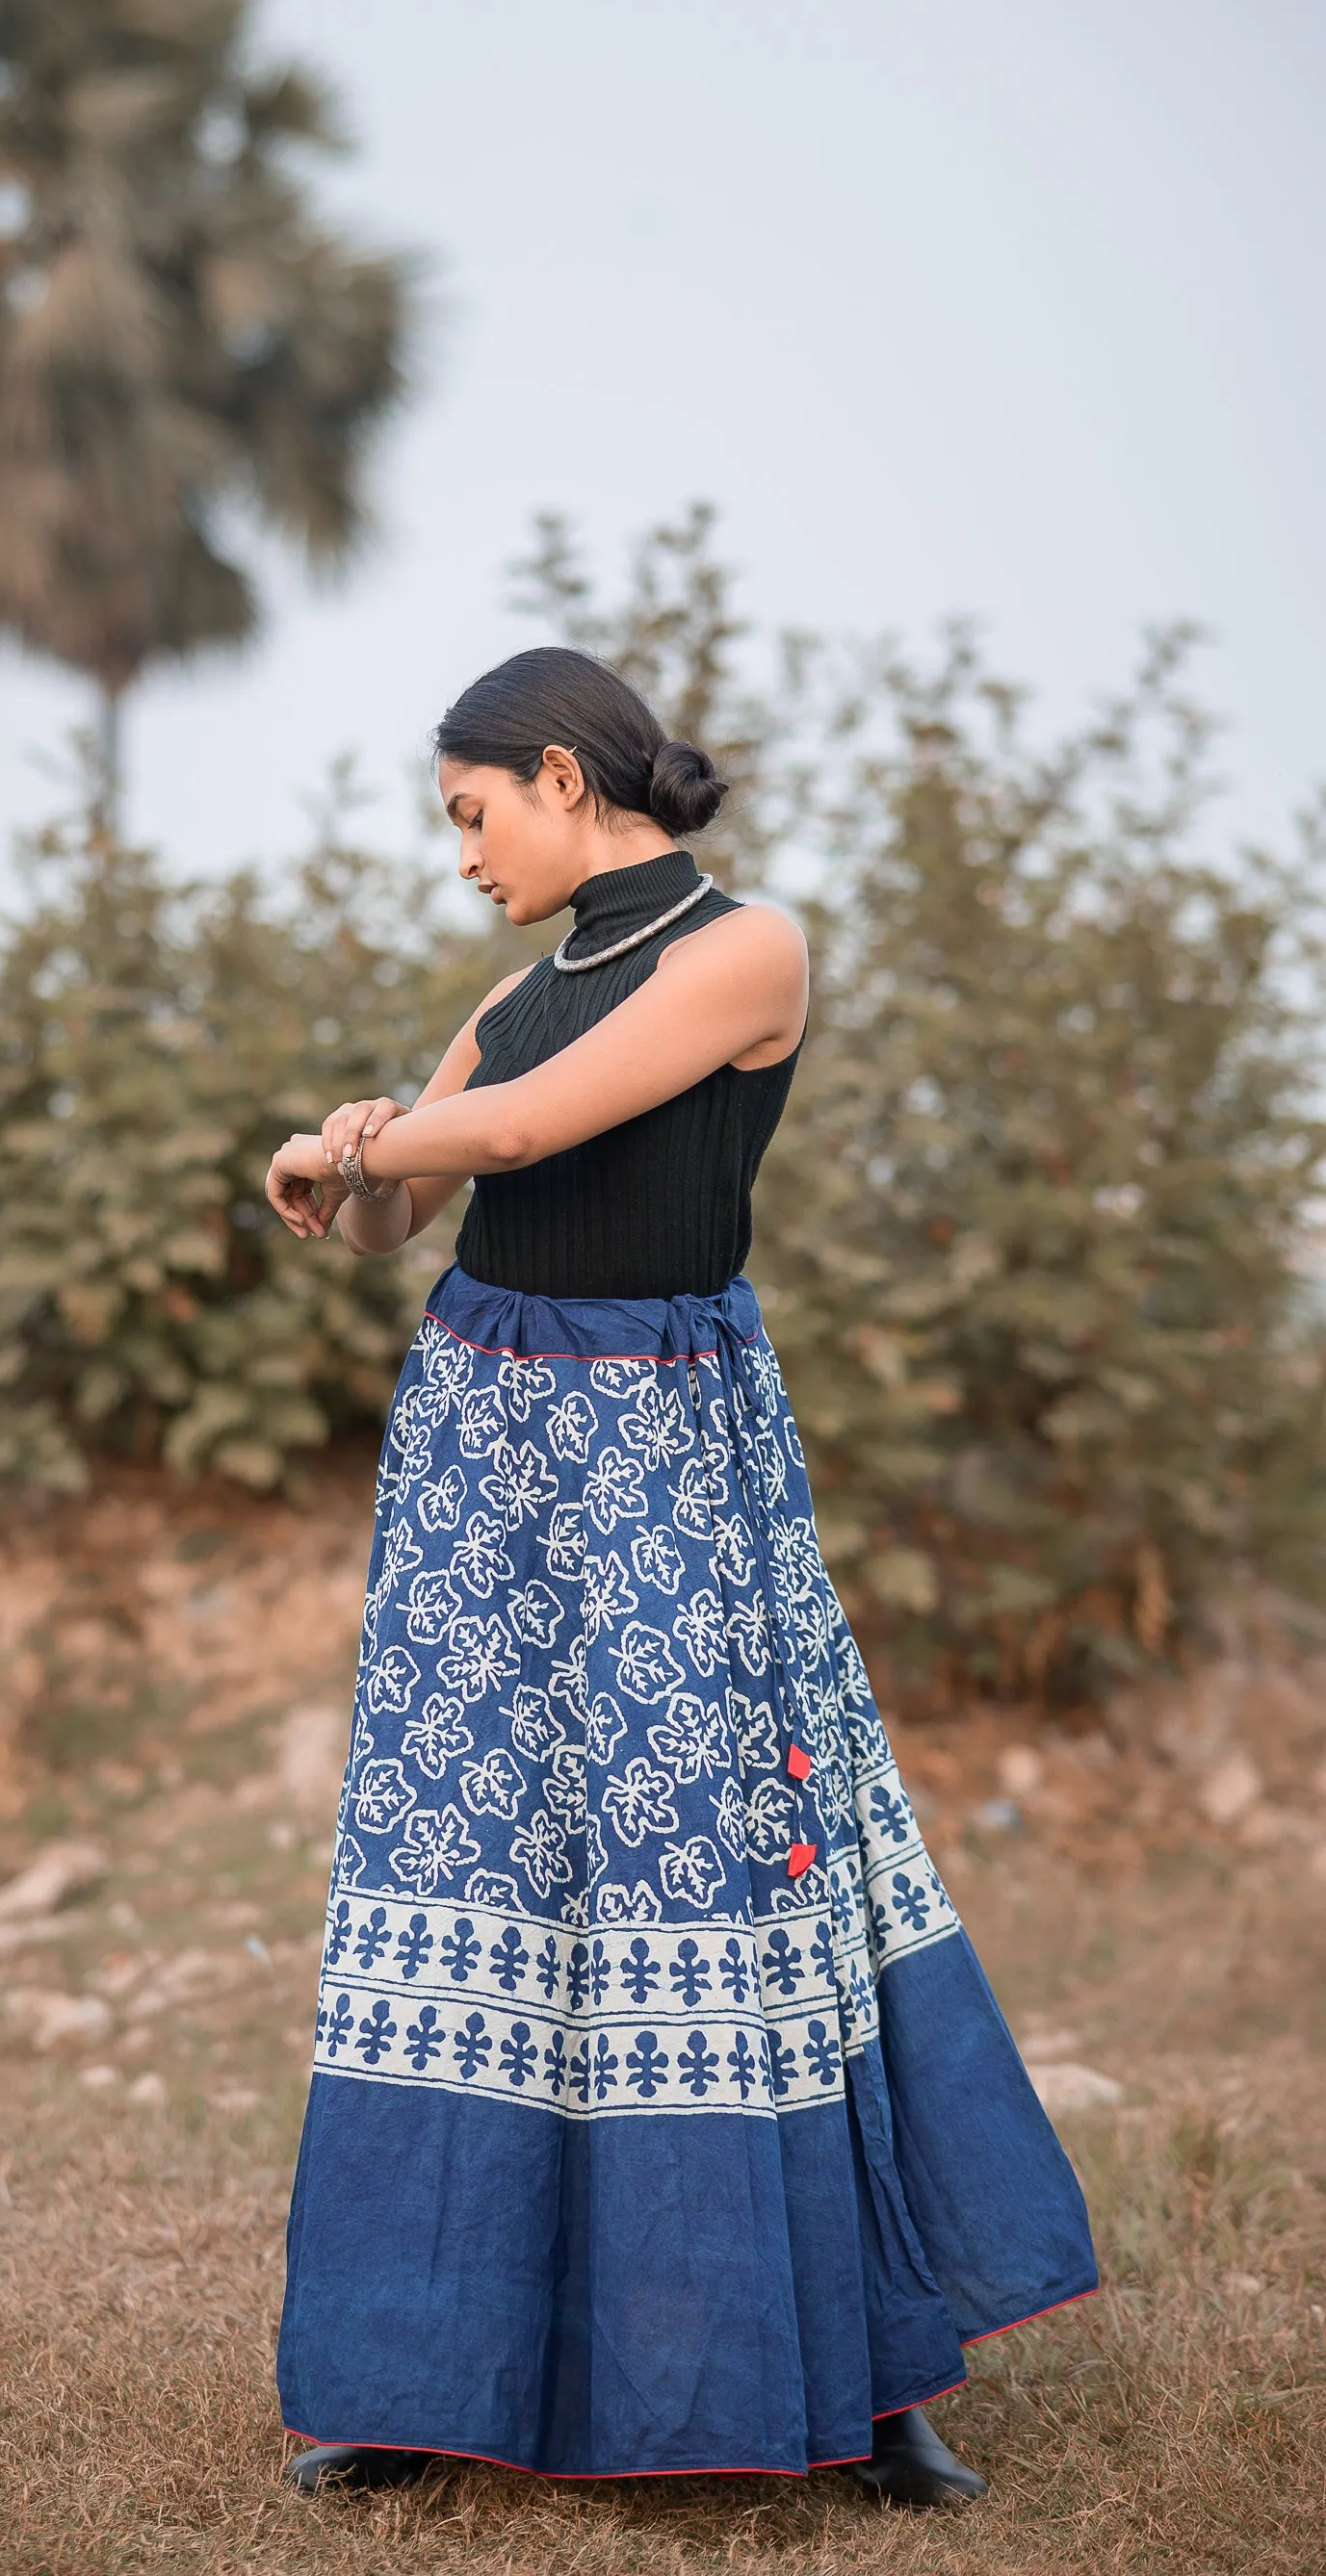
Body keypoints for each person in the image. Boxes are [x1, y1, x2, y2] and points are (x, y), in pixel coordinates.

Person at [263, 645, 1096, 2511]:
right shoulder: (513, 987)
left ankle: (859, 2375)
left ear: (560, 774)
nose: (463, 855)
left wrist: (369, 1132)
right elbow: (427, 1192)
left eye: (471, 814)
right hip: (486, 1456)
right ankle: (424, 2375)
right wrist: (338, 1172)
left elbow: (528, 1130)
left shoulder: (741, 948)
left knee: (727, 1862)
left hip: (657, 1449)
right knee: (475, 1871)